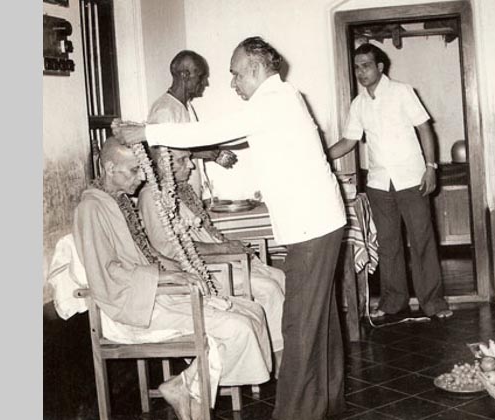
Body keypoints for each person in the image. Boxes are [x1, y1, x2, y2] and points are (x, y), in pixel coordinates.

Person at [112, 37, 347, 420]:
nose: (233, 83)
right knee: (321, 319)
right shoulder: (282, 99)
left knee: (301, 322)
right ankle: (327, 402)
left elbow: (217, 131)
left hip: (312, 227)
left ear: (255, 68)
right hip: (320, 222)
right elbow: (231, 136)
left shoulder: (274, 100)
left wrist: (147, 133)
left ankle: (296, 414)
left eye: (236, 74)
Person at [73, 137, 273, 420]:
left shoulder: (118, 201)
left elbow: (147, 254)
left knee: (251, 311)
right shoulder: (91, 208)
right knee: (237, 327)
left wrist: (182, 271)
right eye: (134, 170)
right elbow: (107, 273)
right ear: (109, 168)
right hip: (132, 307)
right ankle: (186, 387)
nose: (142, 177)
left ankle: (187, 387)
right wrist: (165, 278)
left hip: (152, 293)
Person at [327, 43, 453, 320]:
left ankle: (433, 303)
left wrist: (431, 167)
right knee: (388, 244)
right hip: (379, 183)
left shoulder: (401, 91)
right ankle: (394, 301)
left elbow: (425, 128)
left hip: (412, 179)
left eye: (366, 66)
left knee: (422, 241)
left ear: (380, 67)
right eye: (357, 67)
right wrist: (320, 155)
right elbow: (349, 141)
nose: (361, 72)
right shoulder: (358, 104)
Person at [138, 145, 285, 371]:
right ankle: (279, 362)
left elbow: (202, 233)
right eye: (182, 160)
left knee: (279, 277)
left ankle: (280, 356)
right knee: (269, 288)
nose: (190, 165)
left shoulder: (180, 190)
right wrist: (223, 249)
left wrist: (226, 247)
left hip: (218, 261)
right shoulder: (151, 196)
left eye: (188, 158)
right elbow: (168, 249)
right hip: (201, 270)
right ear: (162, 165)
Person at [148, 50, 238, 198]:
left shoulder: (186, 106)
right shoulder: (164, 109)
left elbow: (182, 145)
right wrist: (200, 153)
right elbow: (159, 155)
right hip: (176, 196)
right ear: (185, 75)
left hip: (193, 193)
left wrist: (210, 153)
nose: (205, 83)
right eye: (201, 76)